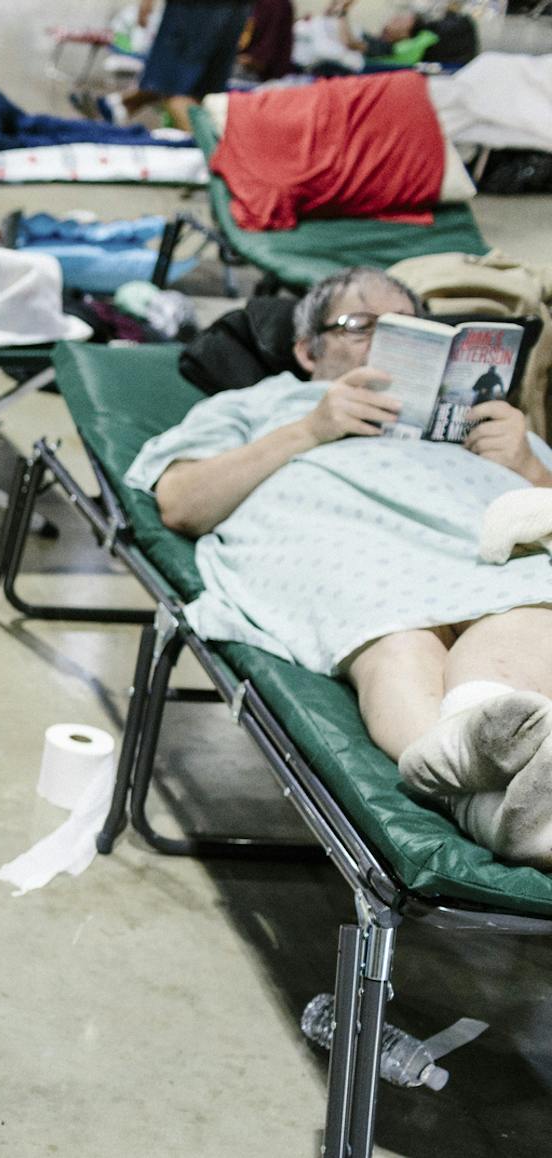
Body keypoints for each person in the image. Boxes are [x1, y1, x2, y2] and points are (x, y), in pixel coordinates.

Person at [129, 267, 552, 868]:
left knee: (527, 608)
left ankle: (505, 793)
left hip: (478, 550)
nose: (383, 342)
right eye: (362, 327)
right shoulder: (264, 403)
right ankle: (485, 806)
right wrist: (310, 429)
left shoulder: (491, 426)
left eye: (406, 329)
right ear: (308, 350)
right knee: (397, 635)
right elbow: (180, 502)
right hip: (343, 546)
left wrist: (529, 466)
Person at [103, 0, 253, 129]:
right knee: (186, 89)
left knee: (188, 91)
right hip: (217, 8)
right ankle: (119, 105)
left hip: (213, 9)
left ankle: (118, 105)